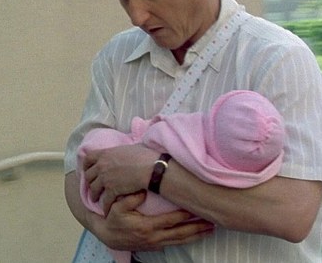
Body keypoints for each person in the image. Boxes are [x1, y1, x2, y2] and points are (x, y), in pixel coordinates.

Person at [63, 0, 322, 262]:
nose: (136, 15)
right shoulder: (115, 59)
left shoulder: (277, 59)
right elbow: (74, 174)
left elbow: (293, 213)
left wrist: (155, 173)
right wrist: (104, 228)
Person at [78, 90, 286, 263]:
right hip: (178, 222)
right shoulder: (236, 178)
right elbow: (71, 172)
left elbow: (154, 136)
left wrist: (151, 165)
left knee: (99, 142)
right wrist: (102, 228)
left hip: (136, 201)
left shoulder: (190, 135)